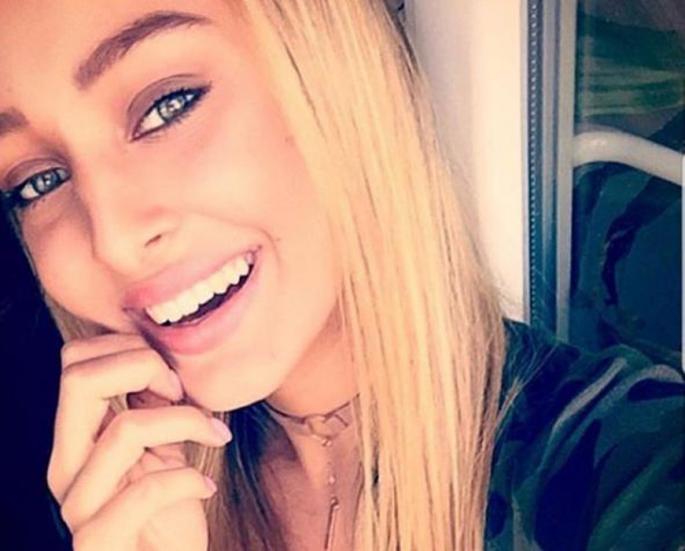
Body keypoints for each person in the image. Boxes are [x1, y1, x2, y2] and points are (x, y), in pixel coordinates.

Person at [0, 1, 681, 550]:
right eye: (38, 181)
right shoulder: (116, 496)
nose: (113, 241)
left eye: (168, 106)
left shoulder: (631, 470)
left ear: (334, 74)